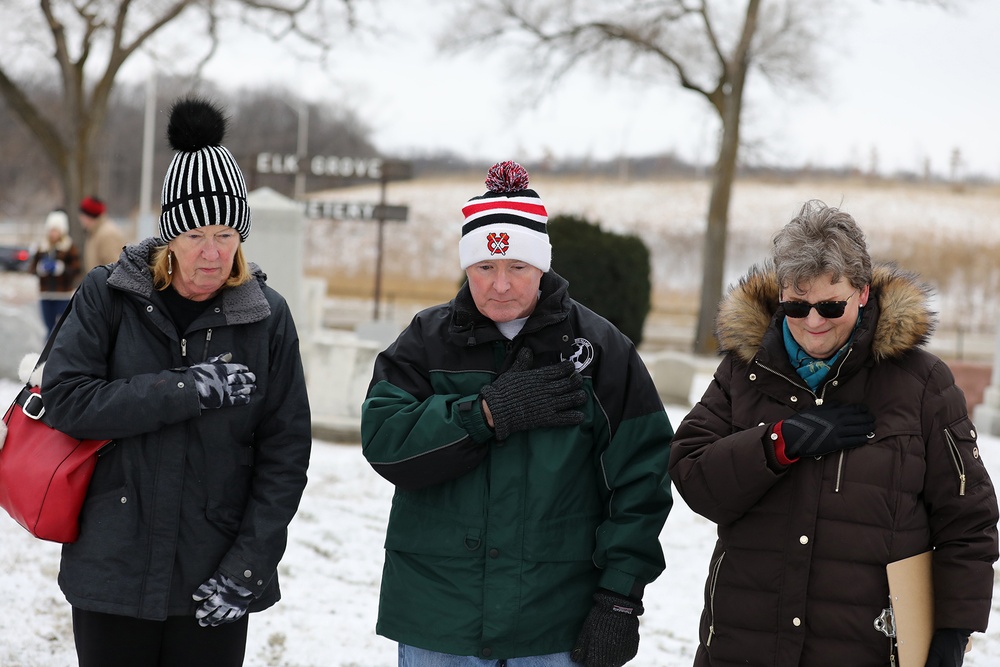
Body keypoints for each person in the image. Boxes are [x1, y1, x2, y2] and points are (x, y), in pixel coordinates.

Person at [361, 160, 674, 667]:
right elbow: (385, 443)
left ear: (542, 265)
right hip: (438, 618)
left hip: (553, 623)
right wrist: (485, 413)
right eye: (485, 267)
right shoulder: (424, 342)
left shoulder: (601, 350)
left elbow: (642, 478)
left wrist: (619, 597)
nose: (500, 285)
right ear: (467, 267)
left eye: (517, 268)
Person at [39, 97, 312, 667]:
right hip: (112, 567)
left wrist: (249, 567)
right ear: (168, 235)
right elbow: (66, 400)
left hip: (212, 574)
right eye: (194, 236)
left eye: (226, 233)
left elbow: (285, 453)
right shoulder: (108, 295)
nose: (212, 254)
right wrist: (189, 388)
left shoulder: (267, 317)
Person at [668, 200, 999, 667]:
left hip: (865, 648)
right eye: (796, 306)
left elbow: (969, 518)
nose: (813, 322)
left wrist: (953, 627)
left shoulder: (922, 384)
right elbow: (694, 476)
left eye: (829, 304)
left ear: (862, 293)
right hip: (746, 647)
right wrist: (780, 443)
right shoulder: (744, 372)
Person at [30, 209, 81, 334]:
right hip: (46, 294)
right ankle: (47, 351)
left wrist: (62, 268)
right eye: (51, 230)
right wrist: (40, 268)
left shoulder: (69, 247)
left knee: (61, 329)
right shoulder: (42, 247)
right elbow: (31, 268)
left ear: (62, 231)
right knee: (48, 328)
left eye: (56, 230)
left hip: (62, 294)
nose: (53, 233)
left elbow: (77, 269)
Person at [79, 194, 126, 271]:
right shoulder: (95, 232)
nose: (80, 219)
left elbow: (115, 268)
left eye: (82, 215)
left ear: (89, 215)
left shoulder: (107, 234)